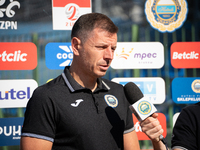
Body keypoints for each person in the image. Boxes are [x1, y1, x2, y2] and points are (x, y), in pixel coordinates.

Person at [20, 12, 165, 150]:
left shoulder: (120, 93)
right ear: (76, 46)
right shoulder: (46, 97)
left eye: (113, 48)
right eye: (101, 47)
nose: (109, 56)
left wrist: (155, 139)